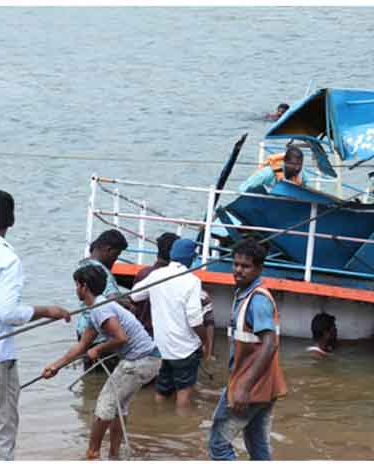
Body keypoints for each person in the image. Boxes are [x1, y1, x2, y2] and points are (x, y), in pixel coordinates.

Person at [0, 189, 71, 460]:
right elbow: (8, 313)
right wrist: (46, 310)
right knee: (0, 432)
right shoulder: (7, 259)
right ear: (11, 221)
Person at [42, 265, 161, 460]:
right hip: (149, 359)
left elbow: (121, 338)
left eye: (76, 285)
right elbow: (82, 345)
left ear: (84, 287)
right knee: (118, 408)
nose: (75, 289)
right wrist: (56, 366)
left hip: (141, 360)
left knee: (105, 405)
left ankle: (92, 454)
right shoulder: (97, 308)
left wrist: (98, 349)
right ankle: (114, 455)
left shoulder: (101, 308)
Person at [207, 237, 287, 460]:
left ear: (259, 268)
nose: (238, 270)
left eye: (245, 266)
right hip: (264, 385)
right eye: (236, 264)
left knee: (218, 445)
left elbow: (270, 344)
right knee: (257, 444)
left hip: (250, 385)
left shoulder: (257, 300)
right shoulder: (244, 294)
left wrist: (244, 387)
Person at [130, 239, 207, 409]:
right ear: (192, 258)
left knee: (162, 390)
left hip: (162, 347)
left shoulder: (156, 275)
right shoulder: (192, 281)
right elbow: (195, 319)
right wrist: (205, 341)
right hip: (185, 349)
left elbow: (134, 296)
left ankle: (159, 417)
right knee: (184, 392)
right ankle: (181, 424)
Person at [75, 229, 130, 370]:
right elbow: (113, 299)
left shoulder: (84, 264)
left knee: (90, 375)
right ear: (108, 249)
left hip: (84, 330)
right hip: (100, 336)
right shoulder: (100, 271)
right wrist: (131, 301)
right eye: (116, 255)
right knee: (105, 375)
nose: (115, 260)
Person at [131, 232, 179, 337]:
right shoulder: (176, 277)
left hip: (141, 333)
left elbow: (133, 304)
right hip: (163, 335)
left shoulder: (143, 273)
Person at [239, 145, 310, 192]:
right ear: (285, 161)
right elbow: (243, 189)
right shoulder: (267, 173)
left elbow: (306, 187)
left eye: (299, 164)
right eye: (293, 164)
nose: (297, 168)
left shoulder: (301, 174)